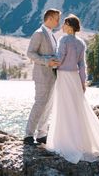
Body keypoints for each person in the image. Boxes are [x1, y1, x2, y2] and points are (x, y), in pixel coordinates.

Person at [45, 14, 99, 164]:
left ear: (69, 26)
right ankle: (81, 142)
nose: (62, 27)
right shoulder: (81, 43)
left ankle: (65, 143)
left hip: (64, 77)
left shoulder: (63, 40)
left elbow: (59, 58)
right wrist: (83, 82)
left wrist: (49, 62)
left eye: (64, 24)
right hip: (75, 78)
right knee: (78, 109)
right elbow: (82, 65)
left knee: (64, 109)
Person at [24, 8, 62, 145]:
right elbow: (30, 53)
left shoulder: (51, 35)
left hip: (52, 76)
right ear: (50, 18)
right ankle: (28, 135)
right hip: (42, 76)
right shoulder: (39, 34)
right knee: (40, 104)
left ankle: (42, 134)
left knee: (48, 105)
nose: (59, 22)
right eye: (57, 19)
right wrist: (47, 61)